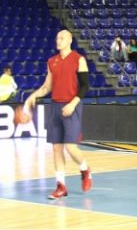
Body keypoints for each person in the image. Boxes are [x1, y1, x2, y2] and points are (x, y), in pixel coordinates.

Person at [24, 30, 92, 199]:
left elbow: (85, 86)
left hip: (72, 105)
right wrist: (33, 96)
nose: (58, 40)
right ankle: (61, 186)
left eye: (62, 38)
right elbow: (47, 87)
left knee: (70, 146)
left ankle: (85, 169)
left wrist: (73, 104)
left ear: (70, 40)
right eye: (57, 38)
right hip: (55, 106)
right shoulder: (52, 61)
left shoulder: (79, 59)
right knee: (56, 147)